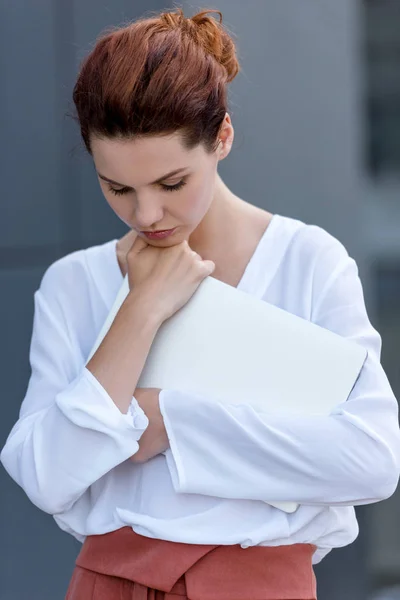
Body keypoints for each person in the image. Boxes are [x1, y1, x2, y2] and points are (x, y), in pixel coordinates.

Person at [1, 6, 400, 599]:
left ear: (223, 138)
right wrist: (140, 308)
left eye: (171, 183)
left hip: (260, 583)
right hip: (105, 584)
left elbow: (371, 459)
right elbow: (45, 476)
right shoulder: (74, 283)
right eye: (118, 188)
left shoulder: (308, 261)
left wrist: (172, 420)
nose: (146, 215)